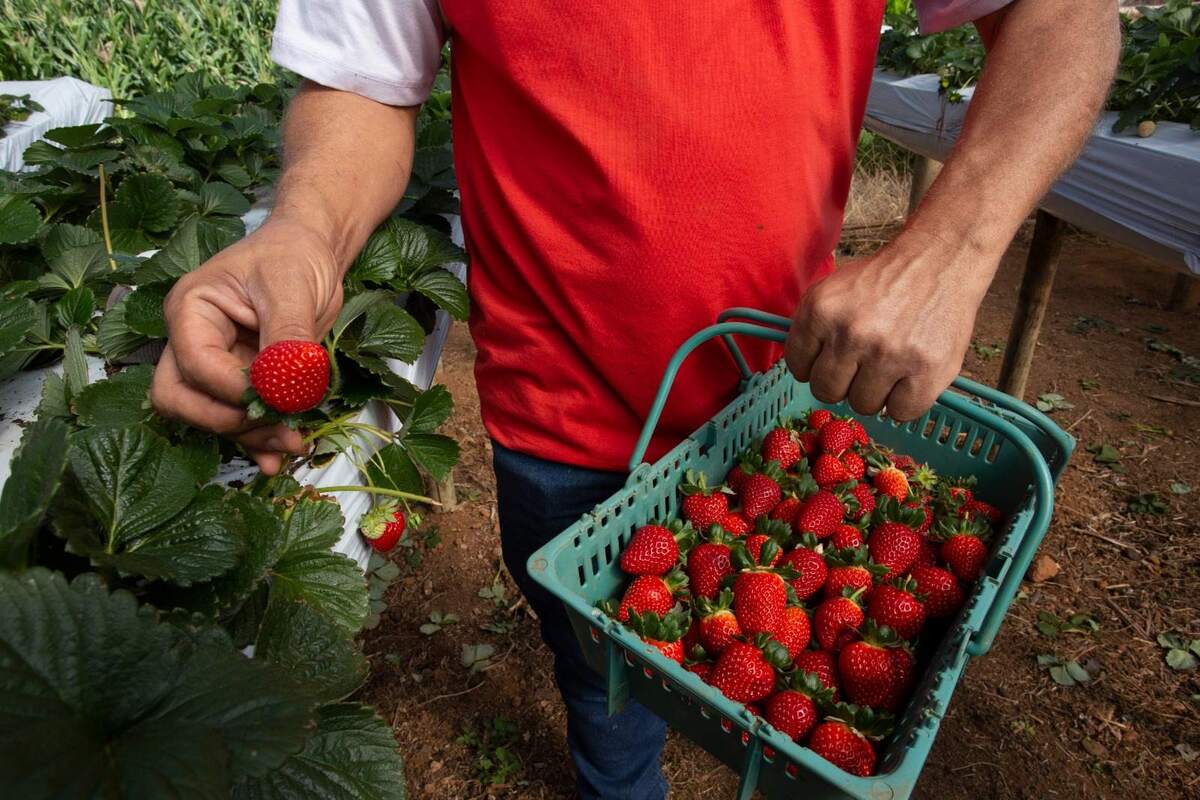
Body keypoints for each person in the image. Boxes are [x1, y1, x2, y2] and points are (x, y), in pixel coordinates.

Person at [151, 2, 1118, 797]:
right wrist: (306, 232)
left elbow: (1063, 12)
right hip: (559, 412)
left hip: (782, 392)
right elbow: (363, 82)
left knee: (764, 728)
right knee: (603, 683)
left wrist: (951, 247)